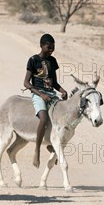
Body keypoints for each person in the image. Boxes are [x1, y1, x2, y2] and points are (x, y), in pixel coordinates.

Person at [24, 33, 68, 168]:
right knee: (43, 118)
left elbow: (54, 82)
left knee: (63, 117)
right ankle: (37, 149)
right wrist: (41, 95)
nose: (51, 49)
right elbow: (26, 83)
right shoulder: (33, 60)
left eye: (53, 47)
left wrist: (62, 91)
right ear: (41, 46)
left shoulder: (52, 61)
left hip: (51, 94)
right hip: (38, 94)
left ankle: (52, 145)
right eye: (49, 47)